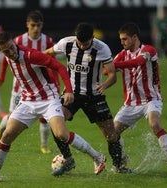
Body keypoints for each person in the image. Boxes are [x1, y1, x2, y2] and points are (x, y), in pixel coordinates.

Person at [0, 31, 106, 183]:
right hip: (27, 101)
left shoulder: (31, 55)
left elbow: (60, 67)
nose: (11, 52)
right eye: (6, 51)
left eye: (12, 47)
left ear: (14, 42)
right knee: (7, 135)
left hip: (48, 99)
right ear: (0, 51)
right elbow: (6, 64)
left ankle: (97, 157)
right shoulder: (7, 57)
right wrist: (1, 79)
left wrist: (69, 90)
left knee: (61, 134)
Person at [44, 22, 130, 175]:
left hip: (94, 96)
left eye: (86, 43)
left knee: (111, 135)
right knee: (55, 121)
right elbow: (47, 54)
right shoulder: (66, 43)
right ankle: (68, 159)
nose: (82, 47)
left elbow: (112, 75)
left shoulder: (101, 48)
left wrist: (104, 85)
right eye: (80, 43)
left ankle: (119, 167)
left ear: (92, 38)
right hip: (72, 94)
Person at [112, 22, 167, 174]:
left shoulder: (149, 50)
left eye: (124, 39)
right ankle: (122, 162)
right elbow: (107, 70)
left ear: (134, 37)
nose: (122, 43)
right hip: (130, 103)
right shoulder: (122, 54)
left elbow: (138, 62)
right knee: (113, 133)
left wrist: (115, 65)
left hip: (151, 99)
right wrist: (109, 66)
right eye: (121, 40)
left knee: (154, 124)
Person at [0, 10, 56, 154]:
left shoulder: (48, 41)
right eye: (33, 25)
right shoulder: (18, 41)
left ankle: (44, 145)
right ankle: (0, 129)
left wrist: (54, 82)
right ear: (27, 25)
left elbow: (53, 63)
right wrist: (1, 79)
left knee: (45, 117)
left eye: (38, 25)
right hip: (20, 88)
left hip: (40, 86)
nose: (36, 28)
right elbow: (5, 62)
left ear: (42, 25)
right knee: (12, 117)